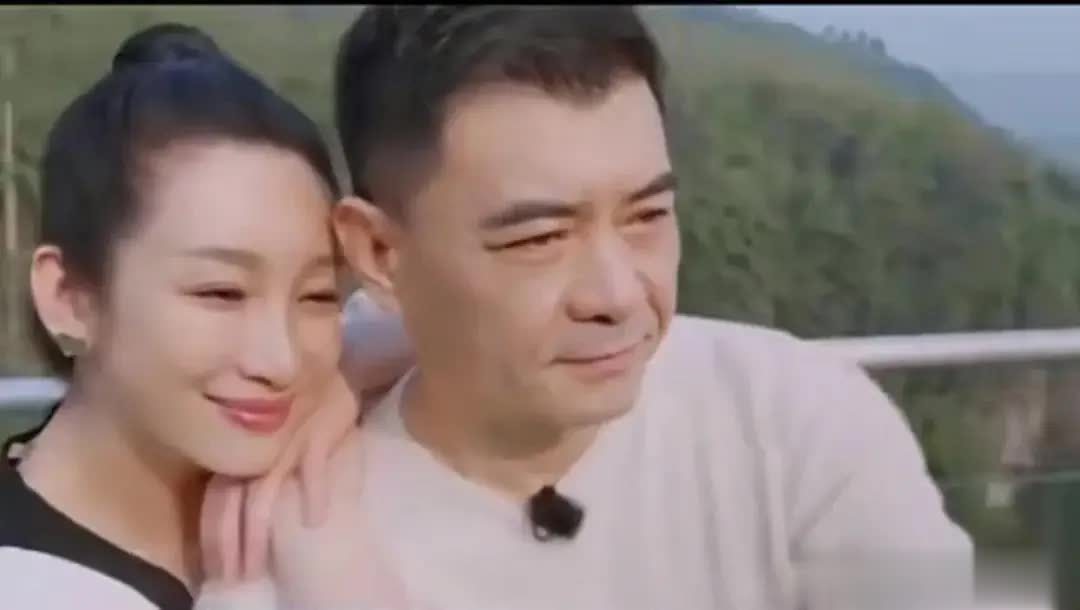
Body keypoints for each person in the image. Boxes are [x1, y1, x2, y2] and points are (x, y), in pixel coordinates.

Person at [200, 6, 975, 610]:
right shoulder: (287, 546)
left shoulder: (794, 422)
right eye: (540, 238)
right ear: (378, 252)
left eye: (647, 217)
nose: (618, 294)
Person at [0, 23, 401, 610]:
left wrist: (350, 374)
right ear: (68, 295)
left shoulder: (326, 476)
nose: (280, 361)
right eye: (221, 292)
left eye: (317, 296)